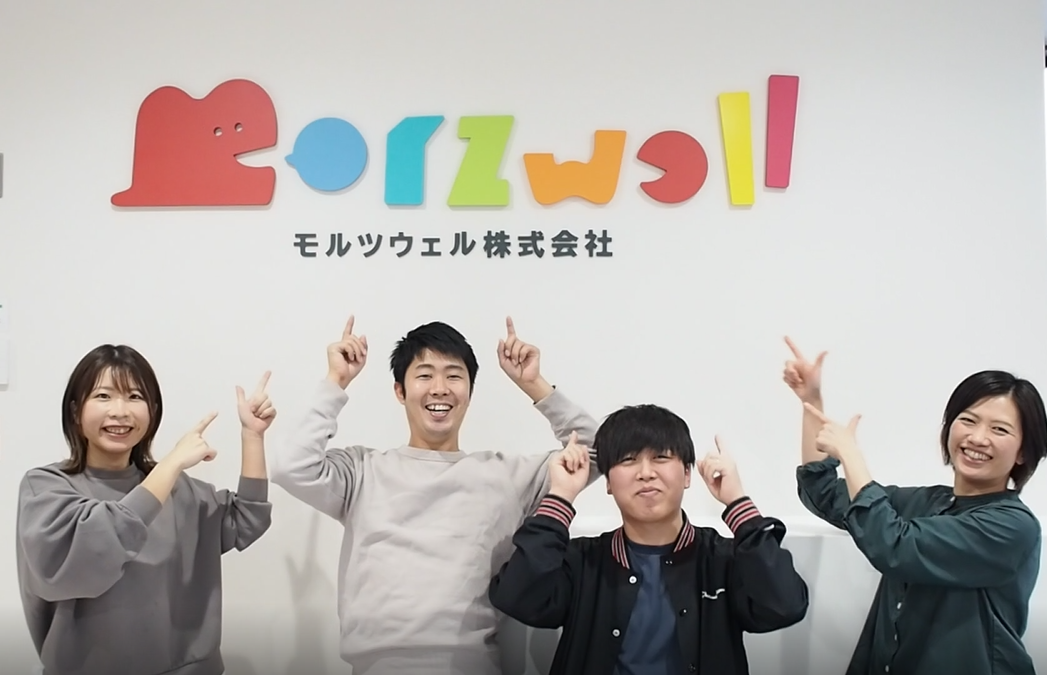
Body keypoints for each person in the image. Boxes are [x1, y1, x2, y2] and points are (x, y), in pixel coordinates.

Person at [271, 315, 600, 675]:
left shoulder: (508, 476)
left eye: (454, 376)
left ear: (469, 393)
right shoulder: (362, 471)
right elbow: (291, 466)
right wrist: (336, 381)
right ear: (400, 391)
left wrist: (534, 384)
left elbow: (599, 452)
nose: (440, 388)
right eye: (425, 375)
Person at [783, 336, 1046, 674]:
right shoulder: (925, 501)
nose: (978, 438)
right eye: (968, 420)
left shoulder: (1013, 526)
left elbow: (894, 546)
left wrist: (850, 454)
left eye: (999, 429)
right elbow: (822, 493)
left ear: (1023, 452)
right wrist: (811, 401)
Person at [488, 403, 810, 675]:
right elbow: (517, 599)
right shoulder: (582, 561)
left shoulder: (722, 558)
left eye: (660, 458)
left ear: (687, 474)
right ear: (608, 482)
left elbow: (784, 606)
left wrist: (738, 502)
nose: (645, 472)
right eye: (628, 460)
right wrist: (561, 495)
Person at [16, 344, 277, 675]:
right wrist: (170, 464)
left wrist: (252, 436)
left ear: (152, 411)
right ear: (76, 411)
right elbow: (99, 544)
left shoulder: (176, 487)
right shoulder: (47, 487)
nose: (120, 411)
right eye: (103, 396)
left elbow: (248, 518)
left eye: (135, 397)